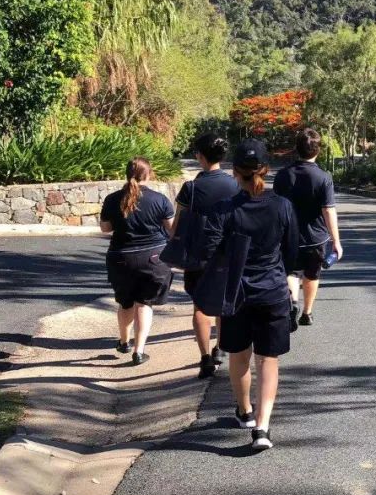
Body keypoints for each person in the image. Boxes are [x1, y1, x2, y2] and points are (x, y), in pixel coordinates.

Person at [200, 140, 299, 451]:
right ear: (266, 171)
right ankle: (263, 427)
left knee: (239, 355)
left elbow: (207, 251)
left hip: (236, 293)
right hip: (271, 291)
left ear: (234, 172)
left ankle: (244, 412)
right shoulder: (283, 206)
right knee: (268, 360)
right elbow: (292, 255)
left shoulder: (224, 211)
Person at [172, 133, 241, 379]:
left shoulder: (191, 188)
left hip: (198, 255)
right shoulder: (235, 185)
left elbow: (177, 225)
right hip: (227, 253)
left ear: (200, 156)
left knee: (200, 307)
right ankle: (220, 349)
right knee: (222, 304)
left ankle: (204, 359)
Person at [100, 157, 174, 366]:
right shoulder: (160, 200)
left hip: (121, 258)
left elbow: (105, 228)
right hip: (153, 258)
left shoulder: (113, 199)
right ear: (148, 175)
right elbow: (171, 229)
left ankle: (124, 341)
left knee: (126, 303)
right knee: (144, 303)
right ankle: (139, 351)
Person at [274, 128, 343, 327]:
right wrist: (336, 241)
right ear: (318, 150)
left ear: (296, 149)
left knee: (291, 272)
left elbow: (277, 206)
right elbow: (328, 210)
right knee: (312, 274)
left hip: (288, 236)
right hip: (316, 237)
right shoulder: (323, 177)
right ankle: (307, 313)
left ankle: (292, 302)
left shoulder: (283, 175)